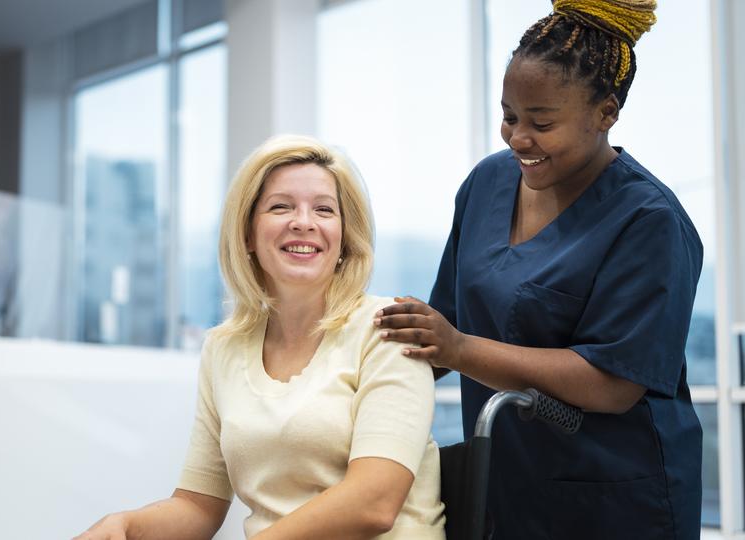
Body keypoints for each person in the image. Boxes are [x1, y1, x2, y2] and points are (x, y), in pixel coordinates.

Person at [375, 1, 702, 538]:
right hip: (506, 485)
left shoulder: (649, 220)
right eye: (509, 115)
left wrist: (459, 349)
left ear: (607, 113)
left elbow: (614, 382)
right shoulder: (487, 184)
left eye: (542, 123)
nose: (518, 138)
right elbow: (443, 323)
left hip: (615, 498)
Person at [75, 135, 446, 540]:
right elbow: (198, 505)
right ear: (248, 235)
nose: (303, 222)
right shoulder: (224, 348)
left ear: (343, 238)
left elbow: (373, 503)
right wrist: (127, 526)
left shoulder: (388, 328)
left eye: (324, 209)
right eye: (280, 206)